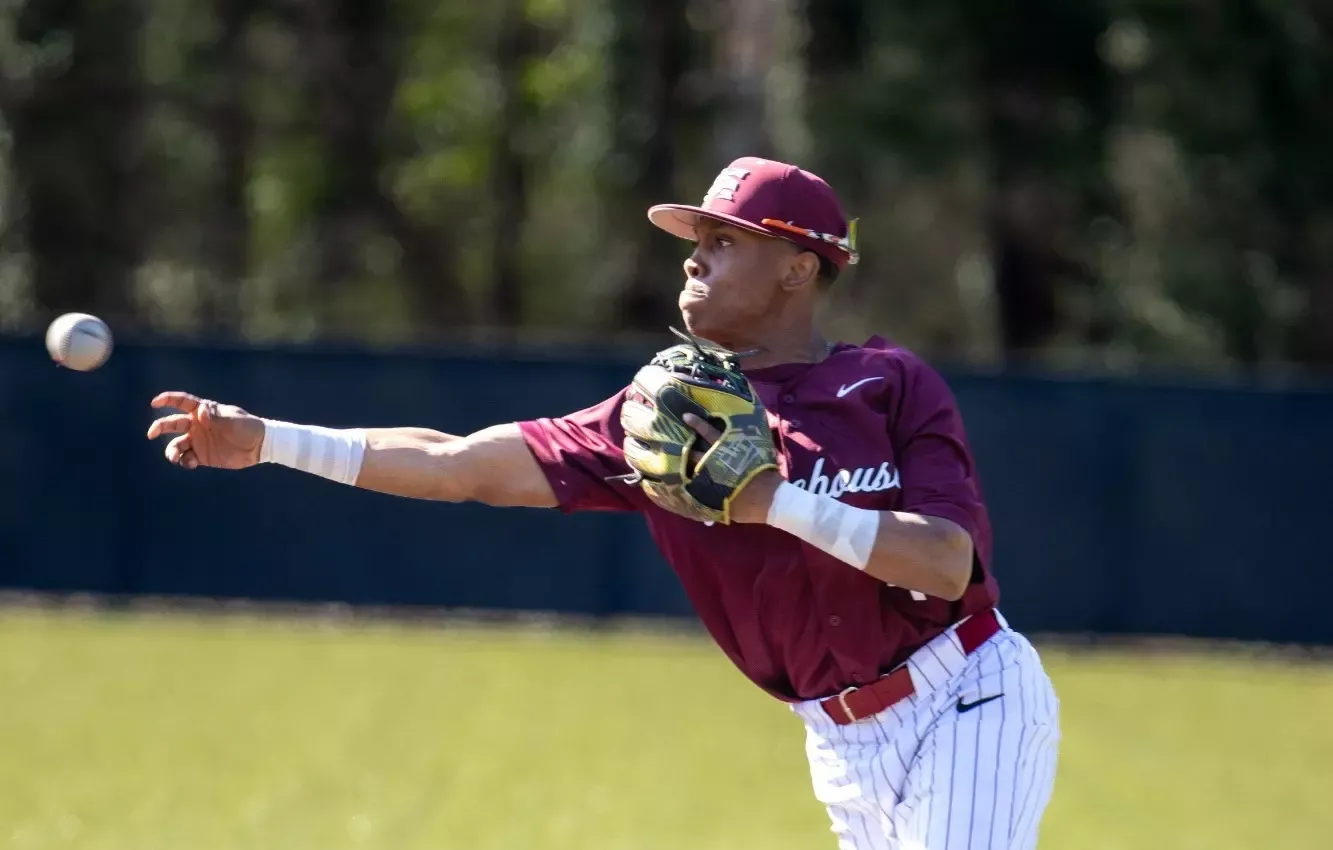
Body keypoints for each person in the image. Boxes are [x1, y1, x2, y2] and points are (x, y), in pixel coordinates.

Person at [146, 157, 1060, 850]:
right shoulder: (657, 417)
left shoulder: (887, 385)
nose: (694, 261)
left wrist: (769, 502)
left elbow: (946, 562)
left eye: (724, 241)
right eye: (694, 243)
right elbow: (456, 464)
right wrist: (269, 440)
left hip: (963, 697)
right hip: (839, 741)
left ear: (798, 268)